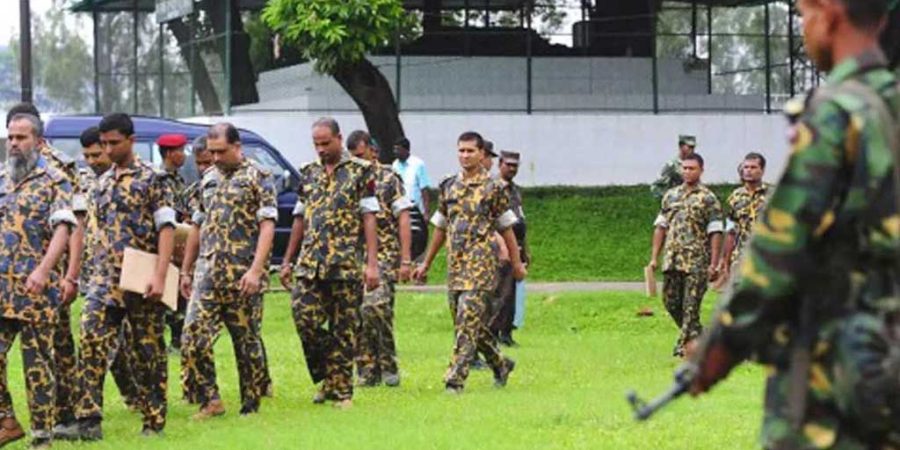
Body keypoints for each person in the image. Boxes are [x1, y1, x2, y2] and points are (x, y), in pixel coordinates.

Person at [687, 0, 900, 448]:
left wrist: (717, 351)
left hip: (840, 376)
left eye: (804, 15)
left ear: (829, 12)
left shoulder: (838, 112)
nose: (804, 29)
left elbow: (778, 248)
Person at [76, 113, 176, 439]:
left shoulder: (153, 179)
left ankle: (154, 419)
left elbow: (166, 229)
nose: (107, 149)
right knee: (91, 337)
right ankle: (88, 419)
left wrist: (160, 277)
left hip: (142, 277)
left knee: (148, 351)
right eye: (103, 143)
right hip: (105, 281)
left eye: (113, 143)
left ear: (131, 141)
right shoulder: (101, 183)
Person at [413, 131, 526, 394]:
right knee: (467, 322)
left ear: (482, 155)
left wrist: (517, 263)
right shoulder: (448, 185)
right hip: (456, 264)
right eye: (461, 150)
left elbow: (507, 227)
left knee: (467, 319)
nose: (465, 156)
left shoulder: (493, 188)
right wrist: (426, 263)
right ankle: (500, 364)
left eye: (470, 151)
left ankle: (455, 380)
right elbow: (441, 227)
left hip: (482, 264)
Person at [279, 117, 380, 409]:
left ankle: (341, 391)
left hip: (345, 263)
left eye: (326, 143)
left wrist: (371, 263)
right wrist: (288, 260)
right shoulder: (308, 173)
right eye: (316, 144)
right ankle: (331, 375)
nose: (321, 149)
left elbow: (369, 216)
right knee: (304, 320)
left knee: (343, 328)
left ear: (339, 138)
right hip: (310, 262)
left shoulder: (361, 172)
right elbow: (299, 218)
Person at [179, 123, 276, 419]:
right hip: (208, 273)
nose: (216, 157)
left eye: (221, 151)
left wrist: (257, 270)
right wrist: (186, 269)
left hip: (242, 273)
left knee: (246, 342)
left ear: (237, 146)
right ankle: (210, 399)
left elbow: (268, 225)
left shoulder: (259, 177)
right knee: (192, 336)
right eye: (212, 152)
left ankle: (251, 403)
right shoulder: (208, 178)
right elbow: (198, 224)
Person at [5, 103, 85, 441]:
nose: (13, 143)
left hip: (38, 290)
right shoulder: (2, 178)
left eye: (21, 137)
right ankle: (7, 420)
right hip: (3, 288)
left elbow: (64, 229)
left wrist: (44, 270)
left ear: (38, 142)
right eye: (9, 137)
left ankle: (41, 437)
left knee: (37, 365)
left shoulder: (56, 181)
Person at [79, 126, 142, 418]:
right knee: (102, 341)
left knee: (131, 344)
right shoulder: (84, 182)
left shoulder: (139, 179)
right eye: (88, 155)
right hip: (97, 278)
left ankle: (143, 398)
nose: (93, 159)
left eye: (98, 152)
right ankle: (95, 411)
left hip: (133, 274)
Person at [346, 130, 413, 387]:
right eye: (353, 156)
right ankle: (366, 369)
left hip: (384, 252)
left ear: (373, 151)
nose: (357, 161)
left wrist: (406, 260)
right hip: (355, 254)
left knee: (376, 306)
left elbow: (403, 216)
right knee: (357, 313)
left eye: (361, 155)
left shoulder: (388, 178)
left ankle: (388, 363)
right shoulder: (347, 178)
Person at [648, 153, 723, 357]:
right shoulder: (670, 196)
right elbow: (660, 227)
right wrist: (655, 257)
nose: (687, 172)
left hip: (697, 260)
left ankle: (683, 348)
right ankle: (703, 338)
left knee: (691, 306)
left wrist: (714, 264)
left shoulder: (708, 198)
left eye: (692, 168)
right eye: (685, 168)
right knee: (671, 302)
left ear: (701, 170)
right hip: (672, 258)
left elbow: (715, 231)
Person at [491, 151, 530, 347]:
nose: (512, 169)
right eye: (509, 165)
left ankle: (506, 332)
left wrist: (526, 251)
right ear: (500, 164)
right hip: (501, 247)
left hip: (517, 244)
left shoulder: (515, 190)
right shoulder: (494, 188)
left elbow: (521, 220)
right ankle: (493, 332)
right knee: (500, 292)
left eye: (515, 165)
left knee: (512, 293)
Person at [157, 134, 188, 355]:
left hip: (180, 241)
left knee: (179, 294)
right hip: (167, 241)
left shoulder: (178, 179)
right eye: (180, 150)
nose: (184, 155)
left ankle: (178, 340)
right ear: (169, 153)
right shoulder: (160, 180)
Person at [720, 152, 770, 281]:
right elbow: (730, 231)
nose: (748, 171)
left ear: (762, 170)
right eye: (746, 167)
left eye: (753, 167)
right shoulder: (735, 197)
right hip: (740, 258)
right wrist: (725, 260)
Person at [392, 137, 432, 261]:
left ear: (406, 150)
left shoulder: (418, 164)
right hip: (401, 210)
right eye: (394, 149)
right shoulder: (395, 165)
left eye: (398, 149)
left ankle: (419, 266)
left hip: (416, 210)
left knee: (419, 239)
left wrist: (426, 212)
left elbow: (424, 189)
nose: (395, 152)